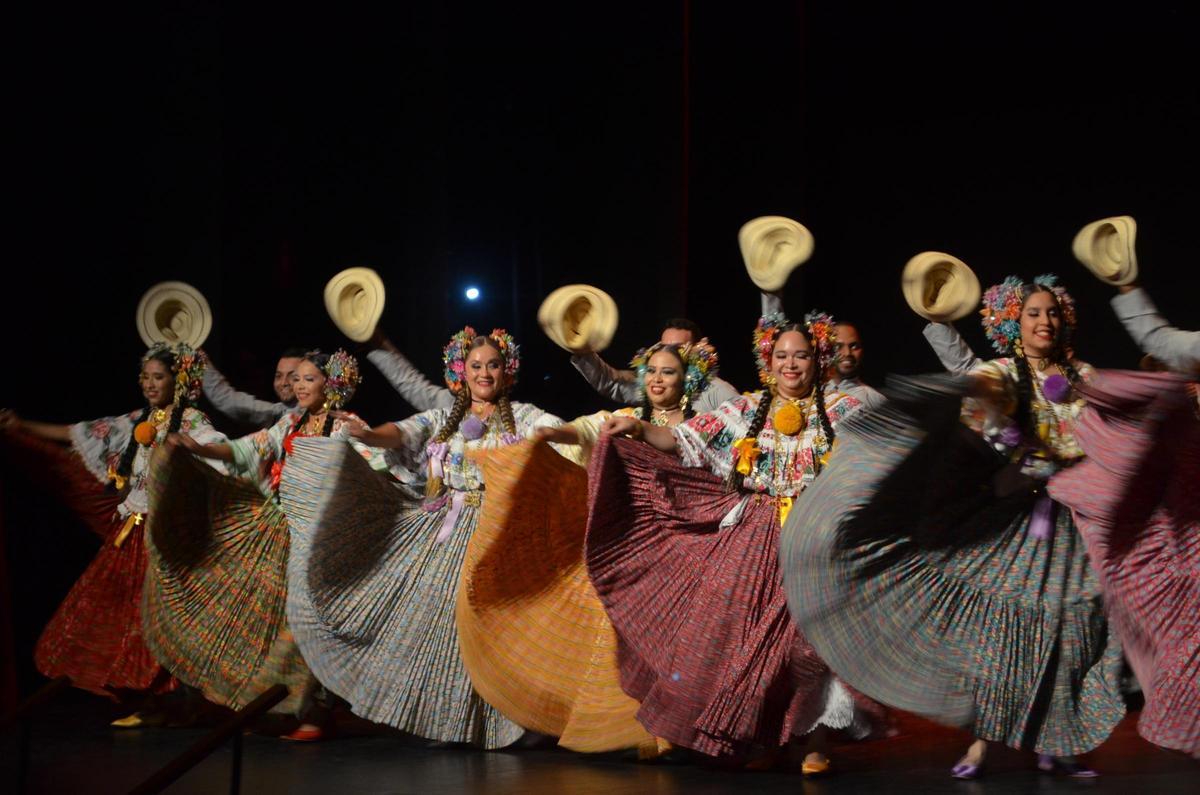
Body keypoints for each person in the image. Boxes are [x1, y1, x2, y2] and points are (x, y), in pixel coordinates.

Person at [781, 276, 1126, 780]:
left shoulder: (1084, 375)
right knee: (1004, 633)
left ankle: (1059, 744)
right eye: (1033, 313)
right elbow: (979, 406)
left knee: (1073, 634)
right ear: (1014, 321)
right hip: (1017, 521)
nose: (1044, 321)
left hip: (1075, 522)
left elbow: (1102, 434)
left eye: (1052, 312)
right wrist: (1020, 447)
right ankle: (983, 744)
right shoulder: (1003, 372)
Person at [591, 312, 877, 772]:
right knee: (743, 640)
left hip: (817, 539)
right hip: (756, 538)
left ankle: (816, 739)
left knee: (811, 645)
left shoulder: (845, 410)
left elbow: (876, 459)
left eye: (801, 355)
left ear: (817, 359)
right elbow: (684, 438)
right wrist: (641, 430)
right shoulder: (746, 410)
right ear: (768, 360)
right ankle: (767, 737)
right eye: (781, 355)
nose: (790, 364)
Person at [276, 328, 563, 748]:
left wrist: (558, 435)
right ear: (460, 371)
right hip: (449, 525)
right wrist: (367, 434)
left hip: (502, 530)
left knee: (499, 624)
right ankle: (454, 720)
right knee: (445, 628)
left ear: (507, 371)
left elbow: (559, 430)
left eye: (493, 365)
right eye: (476, 365)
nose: (484, 372)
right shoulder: (444, 416)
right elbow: (403, 432)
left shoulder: (523, 416)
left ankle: (515, 717)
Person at [455, 340, 719, 756]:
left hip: (683, 545)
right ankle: (640, 729)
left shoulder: (703, 425)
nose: (657, 379)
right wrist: (550, 434)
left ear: (687, 380)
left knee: (676, 640)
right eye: (651, 371)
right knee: (627, 640)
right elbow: (587, 429)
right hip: (631, 542)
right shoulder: (625, 417)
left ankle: (675, 727)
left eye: (668, 372)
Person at [147, 349, 390, 740]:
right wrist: (199, 448)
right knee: (272, 622)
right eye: (297, 379)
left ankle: (315, 714)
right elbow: (247, 449)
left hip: (324, 540)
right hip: (286, 533)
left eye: (308, 379)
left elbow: (377, 467)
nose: (298, 386)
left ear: (330, 383)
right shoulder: (291, 422)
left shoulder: (346, 425)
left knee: (314, 625)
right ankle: (270, 705)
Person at [0, 344, 223, 726]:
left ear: (178, 381)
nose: (150, 384)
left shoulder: (191, 422)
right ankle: (145, 698)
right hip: (131, 530)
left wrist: (190, 447)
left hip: (166, 536)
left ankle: (171, 700)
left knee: (159, 617)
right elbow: (79, 434)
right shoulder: (139, 420)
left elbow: (218, 450)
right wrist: (23, 427)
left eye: (159, 377)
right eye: (146, 377)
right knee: (115, 611)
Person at [201, 348, 306, 426]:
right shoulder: (278, 413)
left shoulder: (319, 413)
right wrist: (201, 359)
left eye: (292, 376)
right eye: (278, 376)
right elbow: (230, 401)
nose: (283, 382)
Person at [829, 321, 884, 409]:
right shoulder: (812, 392)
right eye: (838, 347)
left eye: (854, 346)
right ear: (826, 349)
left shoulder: (874, 400)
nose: (847, 353)